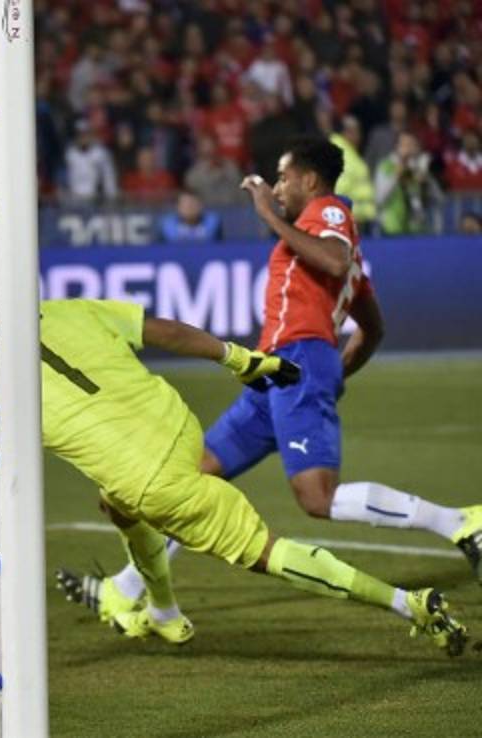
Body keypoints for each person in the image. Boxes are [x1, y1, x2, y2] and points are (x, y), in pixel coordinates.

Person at [0, 257, 466, 655]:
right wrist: (242, 360)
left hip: (153, 483)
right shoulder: (70, 310)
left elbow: (4, 472)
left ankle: (407, 604)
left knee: (266, 553)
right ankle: (162, 610)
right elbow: (166, 331)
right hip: (182, 430)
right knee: (116, 505)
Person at [68, 137, 481, 629]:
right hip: (278, 374)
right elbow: (372, 327)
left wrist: (267, 214)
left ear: (310, 180)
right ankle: (128, 589)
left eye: (283, 178)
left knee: (317, 498)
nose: (277, 188)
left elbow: (334, 261)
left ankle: (459, 522)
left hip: (299, 358)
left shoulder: (329, 213)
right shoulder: (330, 249)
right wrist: (334, 371)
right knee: (194, 479)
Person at [375, 131, 444, 235]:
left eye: (411, 145)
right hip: (390, 229)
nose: (408, 149)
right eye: (404, 145)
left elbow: (439, 199)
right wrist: (396, 175)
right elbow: (379, 199)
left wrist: (427, 182)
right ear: (396, 146)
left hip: (415, 230)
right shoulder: (385, 166)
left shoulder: (417, 168)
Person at [328, 116, 377, 233]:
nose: (359, 136)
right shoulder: (341, 155)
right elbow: (338, 190)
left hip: (358, 218)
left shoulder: (349, 153)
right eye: (357, 131)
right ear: (347, 132)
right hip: (351, 220)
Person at [63, 120, 119, 204]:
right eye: (80, 134)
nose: (83, 137)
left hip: (96, 199)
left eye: (85, 134)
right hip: (74, 200)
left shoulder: (101, 153)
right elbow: (64, 179)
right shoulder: (69, 154)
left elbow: (109, 178)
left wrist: (111, 199)